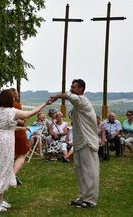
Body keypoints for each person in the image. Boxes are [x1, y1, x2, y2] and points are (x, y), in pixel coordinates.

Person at [0, 89, 52, 212]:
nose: (14, 99)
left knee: (1, 168)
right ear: (9, 99)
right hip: (5, 142)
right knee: (1, 170)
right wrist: (45, 103)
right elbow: (31, 113)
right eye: (13, 97)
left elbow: (1, 127)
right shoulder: (12, 112)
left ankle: (0, 200)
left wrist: (21, 128)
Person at [51, 79, 99, 208]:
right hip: (79, 142)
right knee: (80, 170)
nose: (71, 89)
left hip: (87, 142)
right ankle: (83, 197)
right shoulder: (77, 104)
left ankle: (90, 200)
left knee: (89, 171)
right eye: (71, 87)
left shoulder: (83, 101)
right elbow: (70, 96)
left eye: (74, 87)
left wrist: (56, 96)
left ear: (81, 89)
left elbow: (69, 96)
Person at [10, 88, 29, 186]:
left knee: (11, 155)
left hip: (8, 133)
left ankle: (10, 175)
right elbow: (21, 121)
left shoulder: (2, 106)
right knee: (22, 155)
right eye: (17, 93)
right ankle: (12, 175)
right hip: (18, 132)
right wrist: (24, 119)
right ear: (14, 95)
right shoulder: (17, 105)